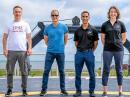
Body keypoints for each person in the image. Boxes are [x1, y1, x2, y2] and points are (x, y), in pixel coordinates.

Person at [2, 5, 32, 96]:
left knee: (24, 72)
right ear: (13, 13)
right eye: (16, 12)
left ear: (21, 13)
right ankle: (9, 89)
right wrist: (4, 49)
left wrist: (30, 48)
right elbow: (4, 38)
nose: (17, 13)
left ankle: (24, 90)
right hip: (11, 52)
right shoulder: (8, 24)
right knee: (10, 71)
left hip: (23, 51)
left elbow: (29, 37)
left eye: (19, 12)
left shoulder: (25, 24)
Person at [40, 9, 68, 96]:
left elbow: (65, 40)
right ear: (51, 16)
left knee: (62, 71)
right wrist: (52, 47)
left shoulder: (64, 27)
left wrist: (60, 47)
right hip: (50, 52)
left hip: (60, 52)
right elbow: (46, 41)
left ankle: (63, 89)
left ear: (58, 16)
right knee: (46, 71)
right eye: (53, 15)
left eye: (56, 15)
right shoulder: (47, 28)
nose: (54, 17)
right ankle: (44, 90)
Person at [101, 6, 126, 97]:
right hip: (107, 50)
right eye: (111, 12)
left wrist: (119, 43)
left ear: (117, 13)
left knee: (119, 70)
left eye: (114, 12)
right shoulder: (104, 25)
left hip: (119, 50)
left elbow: (124, 37)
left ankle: (120, 91)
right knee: (106, 70)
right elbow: (102, 38)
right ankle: (105, 92)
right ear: (109, 13)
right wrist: (107, 45)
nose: (113, 13)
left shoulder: (121, 24)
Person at [73, 11, 99, 97]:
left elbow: (96, 43)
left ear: (89, 17)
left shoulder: (93, 29)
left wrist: (91, 51)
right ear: (81, 17)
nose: (85, 18)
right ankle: (78, 91)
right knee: (77, 74)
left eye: (86, 16)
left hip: (89, 53)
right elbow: (76, 43)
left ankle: (91, 91)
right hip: (79, 53)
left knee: (92, 74)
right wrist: (80, 50)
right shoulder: (77, 30)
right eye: (83, 16)